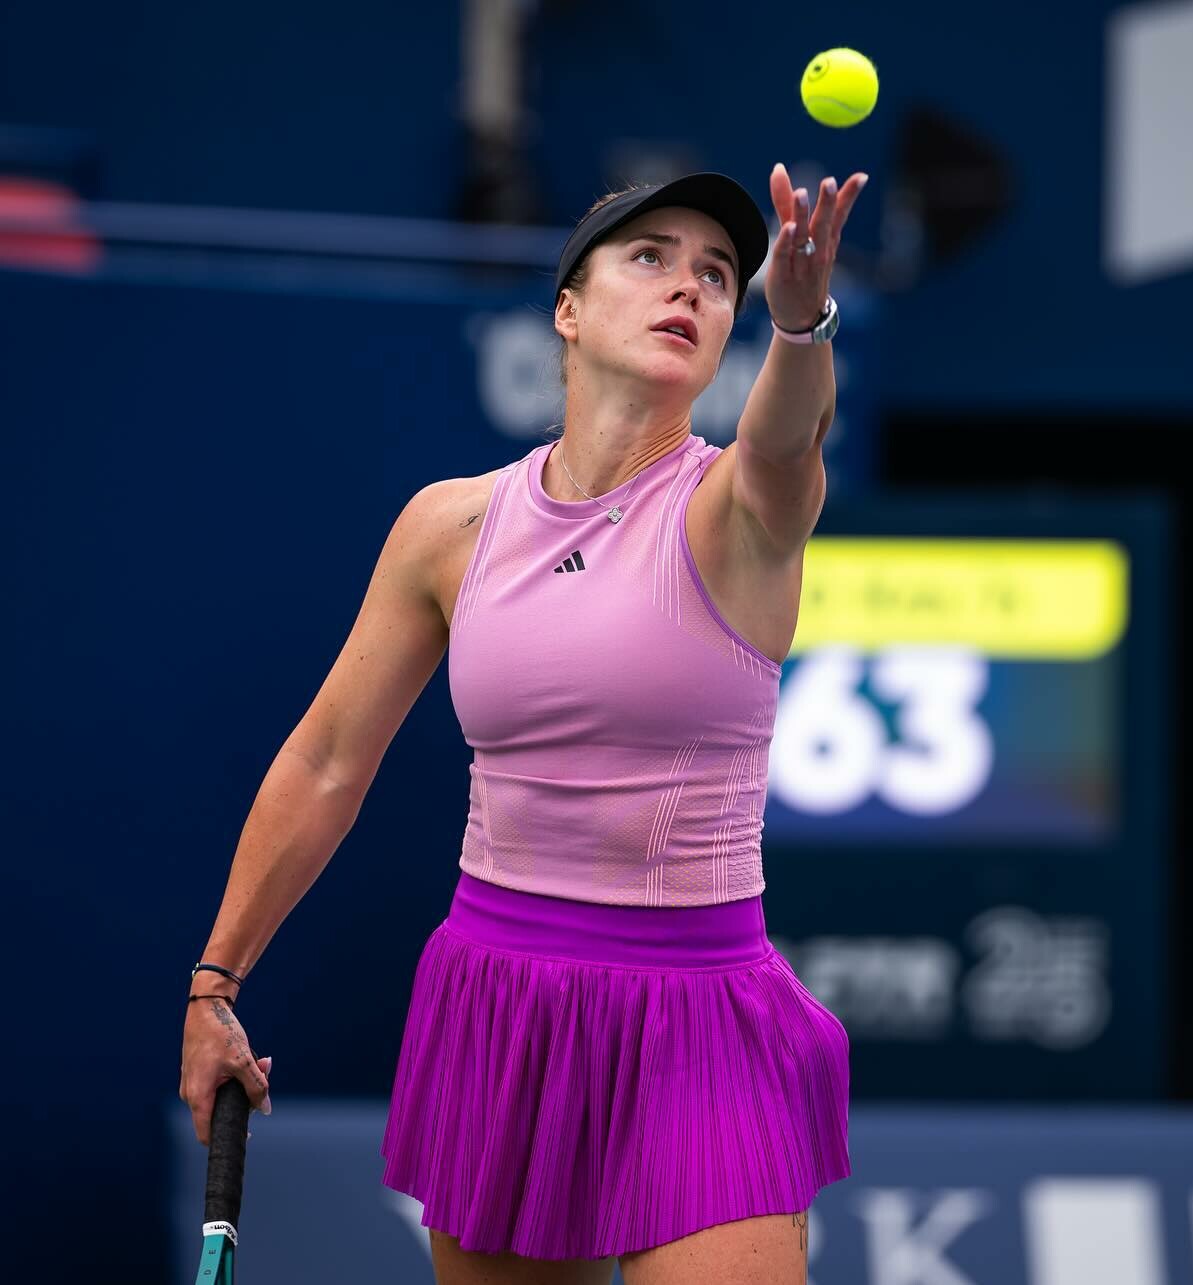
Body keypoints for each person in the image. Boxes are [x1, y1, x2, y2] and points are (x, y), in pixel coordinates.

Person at [179, 163, 867, 1285]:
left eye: (717, 275)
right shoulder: (448, 526)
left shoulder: (737, 508)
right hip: (503, 1009)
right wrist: (216, 983)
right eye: (650, 258)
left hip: (701, 1024)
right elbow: (326, 760)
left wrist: (801, 324)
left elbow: (788, 442)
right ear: (568, 310)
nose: (689, 286)